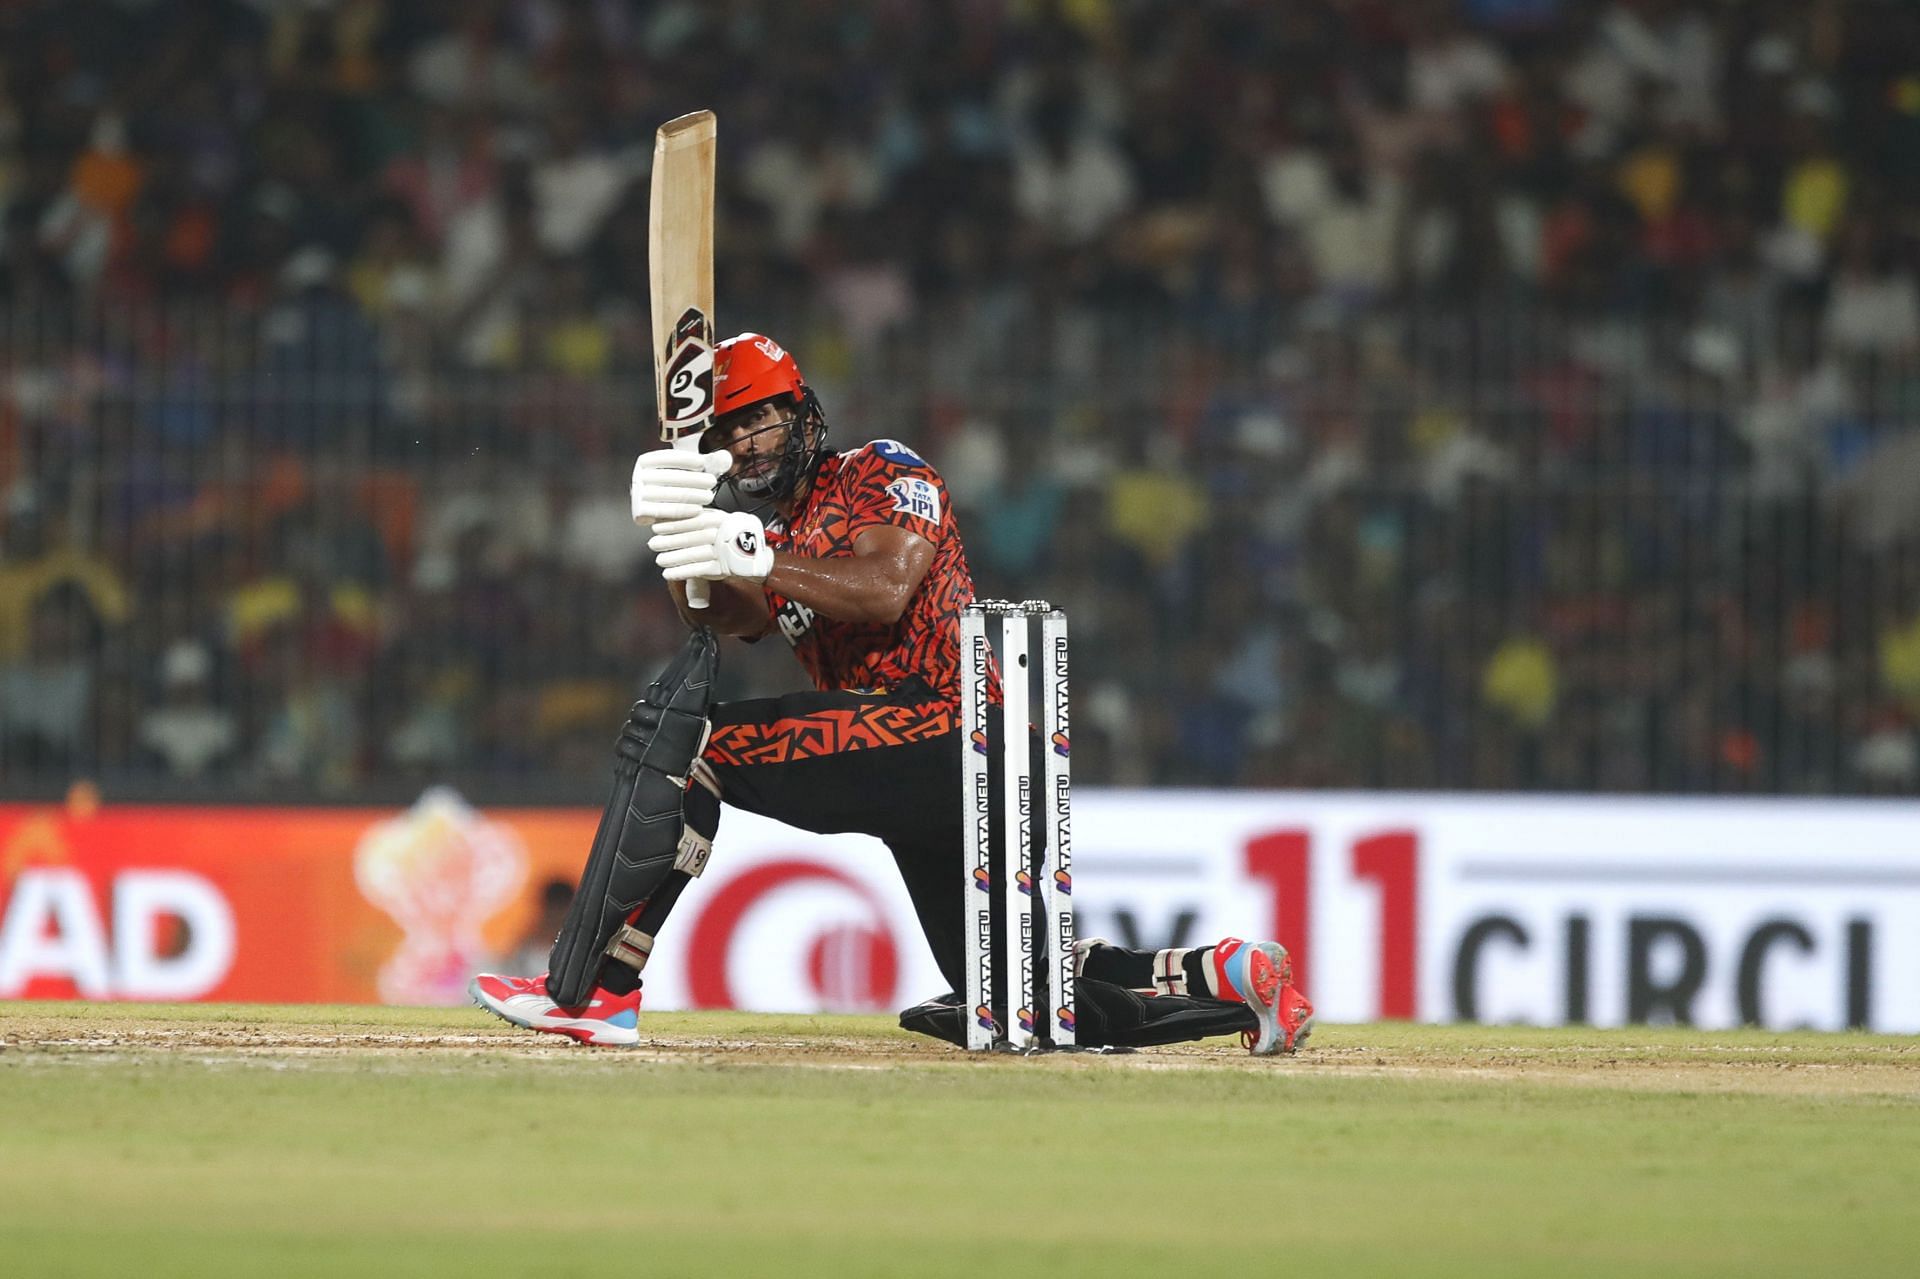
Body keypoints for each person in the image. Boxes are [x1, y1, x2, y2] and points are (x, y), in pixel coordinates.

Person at [470, 333, 1312, 1054]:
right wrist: (680, 533)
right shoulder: (772, 529)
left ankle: (595, 990)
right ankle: (1234, 980)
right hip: (916, 761)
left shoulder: (883, 469)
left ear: (807, 415)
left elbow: (881, 590)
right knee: (1021, 1000)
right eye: (728, 430)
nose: (746, 443)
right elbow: (722, 618)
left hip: (956, 733)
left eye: (761, 418)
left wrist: (752, 552)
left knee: (685, 744)